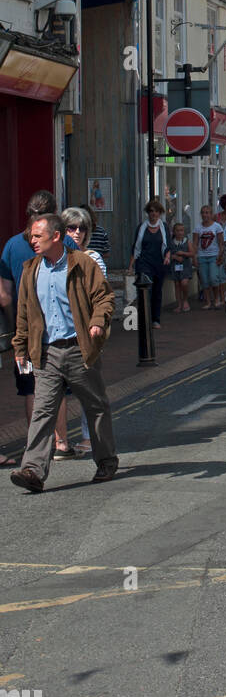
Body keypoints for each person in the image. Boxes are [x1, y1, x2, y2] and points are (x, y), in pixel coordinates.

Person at [10, 214, 118, 492]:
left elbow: (104, 297)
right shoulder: (31, 270)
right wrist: (20, 348)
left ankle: (106, 460)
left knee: (96, 407)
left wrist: (96, 323)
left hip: (78, 350)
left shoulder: (82, 263)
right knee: (43, 413)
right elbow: (24, 314)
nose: (32, 241)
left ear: (55, 236)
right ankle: (33, 470)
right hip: (47, 354)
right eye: (32, 236)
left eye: (37, 236)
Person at [1, 191, 76, 463]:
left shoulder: (11, 246)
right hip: (57, 331)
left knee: (29, 387)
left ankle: (36, 445)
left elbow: (5, 295)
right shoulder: (62, 241)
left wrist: (15, 331)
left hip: (26, 333)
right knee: (58, 386)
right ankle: (61, 443)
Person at [61, 206, 108, 458]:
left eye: (82, 228)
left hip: (86, 333)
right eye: (71, 227)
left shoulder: (93, 257)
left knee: (86, 390)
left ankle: (91, 438)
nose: (77, 233)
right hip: (60, 334)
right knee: (57, 392)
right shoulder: (56, 257)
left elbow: (101, 296)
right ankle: (57, 442)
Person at [129, 199, 170, 328]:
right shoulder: (142, 227)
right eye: (151, 211)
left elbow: (168, 245)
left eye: (156, 211)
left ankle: (155, 319)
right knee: (147, 290)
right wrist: (131, 265)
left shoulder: (164, 227)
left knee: (157, 292)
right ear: (148, 212)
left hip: (159, 263)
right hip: (144, 263)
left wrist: (168, 256)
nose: (154, 214)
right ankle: (145, 318)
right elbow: (136, 247)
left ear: (160, 213)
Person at [192, 205, 224, 310]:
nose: (205, 215)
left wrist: (220, 255)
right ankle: (208, 302)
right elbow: (195, 243)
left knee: (214, 278)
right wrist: (194, 257)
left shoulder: (217, 226)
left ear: (211, 214)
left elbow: (221, 243)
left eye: (207, 212)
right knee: (204, 280)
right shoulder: (198, 228)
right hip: (202, 256)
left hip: (214, 256)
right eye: (203, 213)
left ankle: (216, 299)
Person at [168, 223, 194, 313]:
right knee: (177, 285)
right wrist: (174, 257)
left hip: (185, 266)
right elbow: (167, 254)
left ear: (184, 231)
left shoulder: (187, 241)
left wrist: (183, 253)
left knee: (184, 283)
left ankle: (185, 300)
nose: (179, 232)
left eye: (181, 230)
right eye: (177, 230)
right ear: (174, 232)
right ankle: (179, 304)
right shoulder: (171, 242)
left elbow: (192, 253)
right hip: (175, 266)